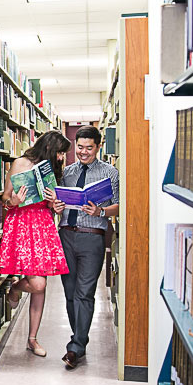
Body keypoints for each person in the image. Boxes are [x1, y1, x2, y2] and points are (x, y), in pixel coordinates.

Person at [0, 131, 71, 357]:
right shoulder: (20, 163)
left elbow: (53, 205)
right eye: (59, 152)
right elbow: (5, 199)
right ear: (48, 148)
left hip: (42, 226)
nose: (61, 158)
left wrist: (54, 205)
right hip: (20, 224)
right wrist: (14, 201)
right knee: (37, 284)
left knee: (40, 285)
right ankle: (16, 288)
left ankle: (32, 338)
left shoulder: (52, 171)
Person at [53, 126, 119, 369]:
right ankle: (78, 338)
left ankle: (76, 346)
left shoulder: (110, 173)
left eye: (88, 148)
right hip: (66, 236)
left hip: (92, 237)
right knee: (70, 293)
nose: (83, 152)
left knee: (84, 293)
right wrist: (56, 207)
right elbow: (56, 200)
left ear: (98, 147)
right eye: (79, 147)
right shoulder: (66, 172)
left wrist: (101, 210)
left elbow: (120, 205)